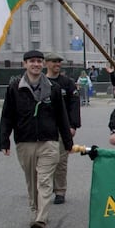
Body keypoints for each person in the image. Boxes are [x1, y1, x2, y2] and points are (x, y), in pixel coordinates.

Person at [0, 50, 74, 228]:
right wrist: (4, 141)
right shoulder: (15, 87)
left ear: (43, 64)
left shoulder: (53, 88)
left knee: (45, 180)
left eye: (39, 61)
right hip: (25, 142)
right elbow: (7, 116)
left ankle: (41, 218)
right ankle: (35, 213)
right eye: (32, 61)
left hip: (49, 141)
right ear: (25, 64)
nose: (36, 64)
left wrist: (68, 141)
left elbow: (62, 117)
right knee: (32, 181)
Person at [44, 52, 81, 204]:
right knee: (44, 161)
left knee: (61, 161)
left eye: (59, 62)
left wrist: (73, 125)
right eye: (53, 62)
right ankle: (44, 189)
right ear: (46, 63)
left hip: (62, 127)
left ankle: (60, 191)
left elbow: (74, 104)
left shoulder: (67, 83)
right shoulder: (41, 82)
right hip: (44, 128)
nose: (57, 65)